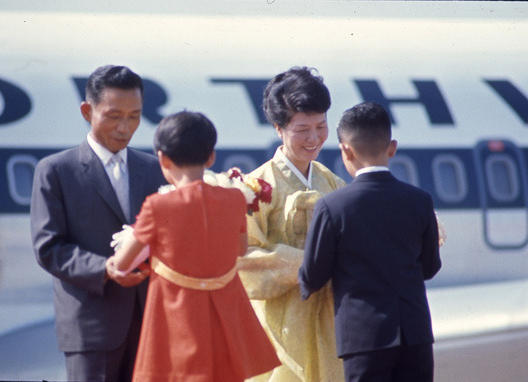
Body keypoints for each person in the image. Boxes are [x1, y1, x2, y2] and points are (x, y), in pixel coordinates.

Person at [108, 111, 281, 381]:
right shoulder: (235, 199)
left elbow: (122, 264)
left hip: (176, 319)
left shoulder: (158, 205)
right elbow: (239, 249)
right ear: (211, 157)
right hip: (224, 317)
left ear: (162, 159)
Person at [30, 65, 165, 381]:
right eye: (114, 115)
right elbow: (48, 248)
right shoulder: (56, 170)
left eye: (134, 116)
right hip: (90, 325)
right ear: (87, 111)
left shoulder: (155, 168)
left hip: (150, 324)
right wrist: (106, 268)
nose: (125, 127)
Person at [299, 102, 442, 382]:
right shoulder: (419, 200)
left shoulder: (332, 206)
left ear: (345, 151)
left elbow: (313, 274)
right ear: (392, 147)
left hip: (364, 339)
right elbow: (430, 266)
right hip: (415, 335)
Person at [237, 67, 346, 381]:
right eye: (302, 129)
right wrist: (312, 265)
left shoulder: (331, 182)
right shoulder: (254, 187)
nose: (314, 138)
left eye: (321, 126)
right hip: (278, 326)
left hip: (328, 322)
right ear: (278, 127)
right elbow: (243, 259)